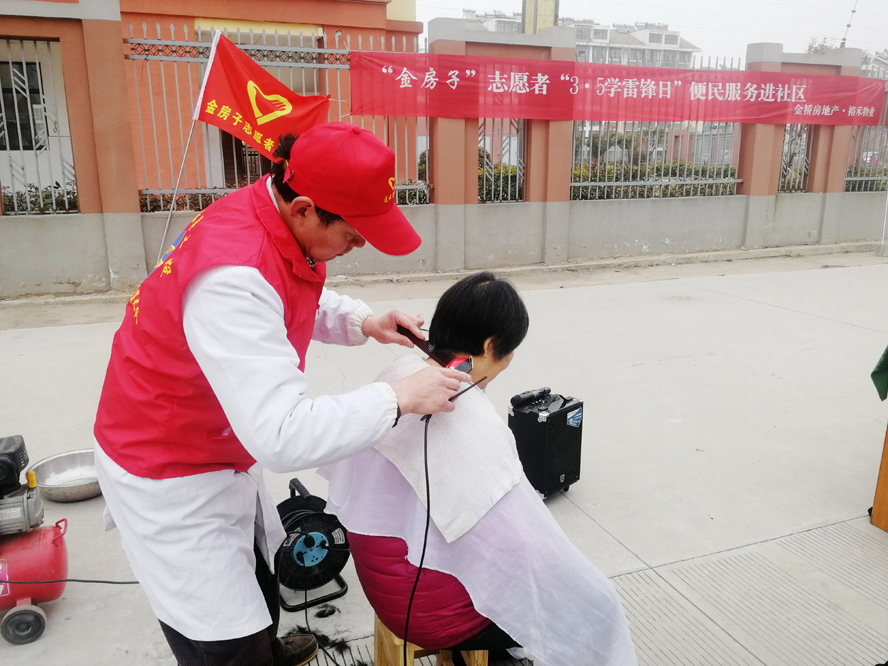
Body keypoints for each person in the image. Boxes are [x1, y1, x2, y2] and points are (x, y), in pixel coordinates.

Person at [93, 122, 471, 666]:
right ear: (305, 209)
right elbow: (282, 435)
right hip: (169, 467)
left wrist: (364, 321)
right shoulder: (231, 279)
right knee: (224, 640)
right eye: (354, 233)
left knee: (256, 570)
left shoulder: (267, 216)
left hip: (219, 441)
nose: (359, 245)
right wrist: (400, 397)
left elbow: (288, 288)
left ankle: (267, 644)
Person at [319, 272, 638, 666]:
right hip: (431, 613)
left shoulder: (398, 376)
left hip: (381, 583)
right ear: (489, 346)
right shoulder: (472, 422)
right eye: (510, 348)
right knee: (594, 608)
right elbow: (522, 545)